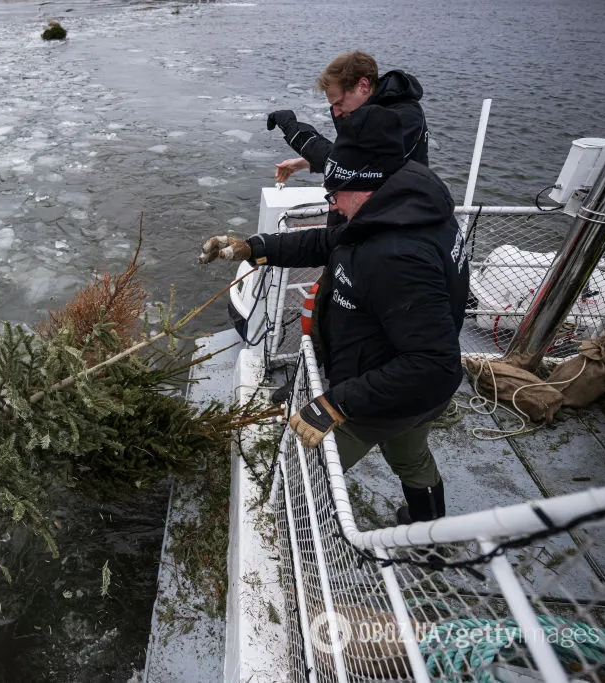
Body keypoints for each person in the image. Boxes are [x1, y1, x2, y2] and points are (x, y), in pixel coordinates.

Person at [198, 105, 469, 524]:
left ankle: (295, 538)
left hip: (376, 398)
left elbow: (435, 365)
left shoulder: (398, 256)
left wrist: (336, 404)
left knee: (302, 469)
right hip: (409, 396)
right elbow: (327, 242)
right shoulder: (401, 209)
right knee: (411, 458)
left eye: (336, 194)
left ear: (367, 189)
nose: (332, 204)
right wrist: (253, 247)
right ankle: (428, 532)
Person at [266, 51, 429, 184]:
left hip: (405, 211)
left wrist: (292, 128)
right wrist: (304, 162)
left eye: (339, 102)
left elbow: (350, 163)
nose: (336, 112)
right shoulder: (359, 111)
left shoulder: (404, 117)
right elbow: (348, 152)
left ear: (363, 86)